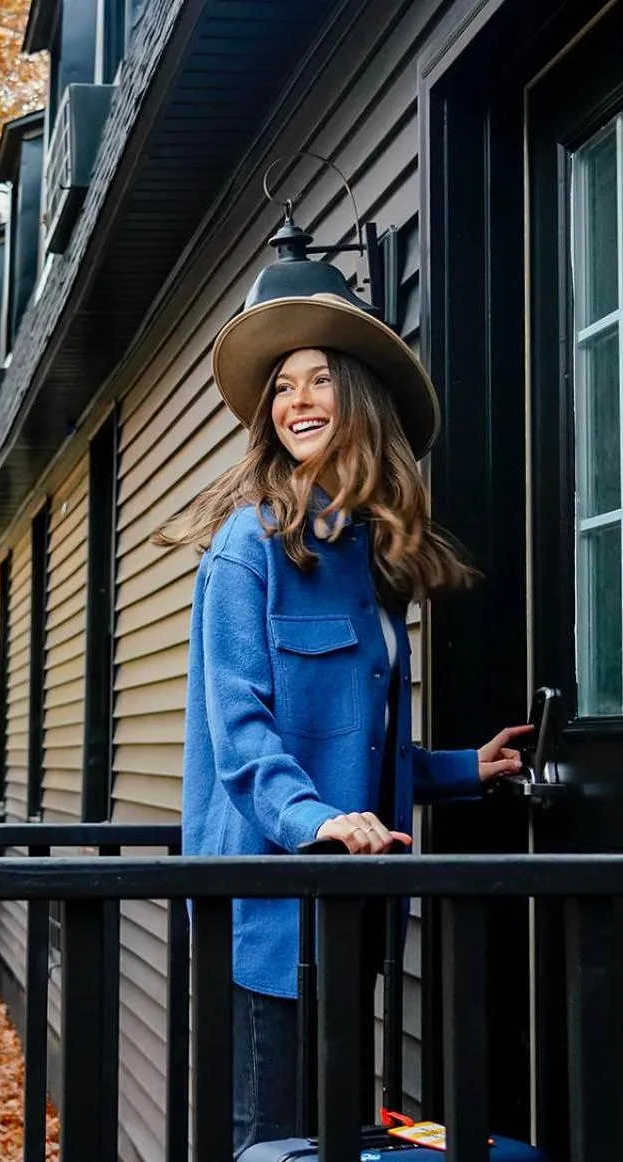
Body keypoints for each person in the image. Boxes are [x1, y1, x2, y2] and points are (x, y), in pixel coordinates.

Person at [153, 291, 530, 1154]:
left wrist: (463, 770)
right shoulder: (249, 549)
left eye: (320, 380)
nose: (297, 401)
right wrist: (319, 821)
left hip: (351, 906)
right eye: (283, 387)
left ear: (360, 401)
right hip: (270, 909)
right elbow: (242, 736)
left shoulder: (370, 560)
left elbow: (359, 745)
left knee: (326, 1135)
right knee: (272, 1142)